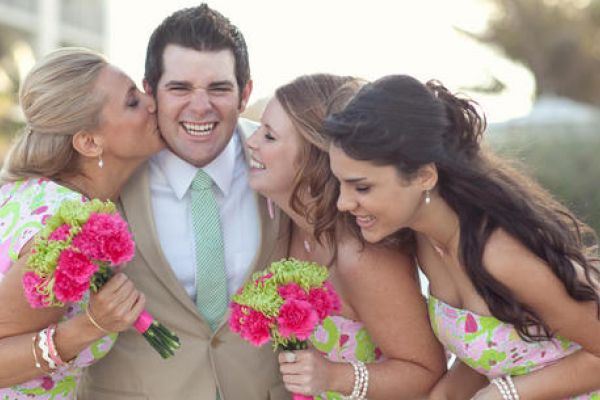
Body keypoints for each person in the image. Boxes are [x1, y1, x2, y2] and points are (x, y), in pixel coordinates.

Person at [324, 74, 600, 399]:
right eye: (340, 184)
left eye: (362, 187)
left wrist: (506, 393)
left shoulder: (501, 255)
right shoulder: (427, 241)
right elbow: (488, 347)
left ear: (425, 176)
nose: (343, 203)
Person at [80, 4, 290, 400]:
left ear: (245, 93)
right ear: (150, 91)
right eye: (179, 88)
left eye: (218, 88)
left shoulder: (281, 160)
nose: (200, 106)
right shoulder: (104, 174)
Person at [246, 74, 447, 399]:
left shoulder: (361, 257)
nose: (251, 141)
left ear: (313, 157)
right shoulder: (288, 225)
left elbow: (427, 371)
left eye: (269, 136)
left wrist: (333, 376)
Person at [0, 47, 162, 398]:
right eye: (132, 102)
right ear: (89, 142)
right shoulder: (67, 230)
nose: (152, 104)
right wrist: (91, 325)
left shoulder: (31, 192)